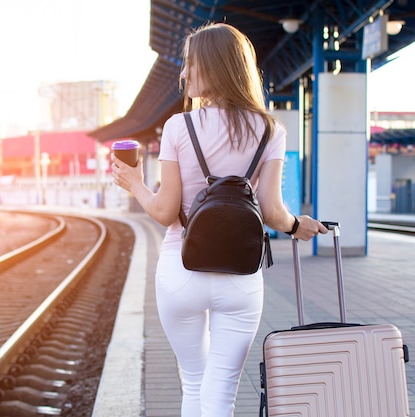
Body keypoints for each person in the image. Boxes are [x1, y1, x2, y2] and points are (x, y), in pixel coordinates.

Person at [111, 22, 327, 417]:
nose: (184, 74)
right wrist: (300, 226)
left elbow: (163, 211)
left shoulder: (179, 126)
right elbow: (273, 212)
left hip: (181, 272)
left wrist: (134, 184)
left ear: (216, 67)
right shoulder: (269, 129)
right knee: (221, 394)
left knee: (194, 381)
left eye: (192, 64)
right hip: (241, 280)